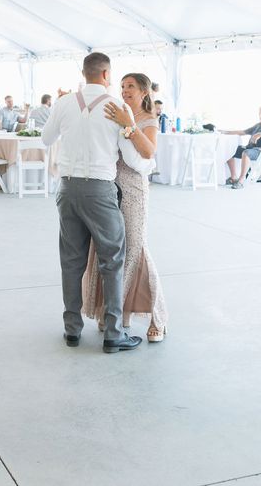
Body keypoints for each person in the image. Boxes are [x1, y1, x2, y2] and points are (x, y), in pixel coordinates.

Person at [42, 51, 143, 354]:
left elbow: (46, 139)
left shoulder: (63, 103)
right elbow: (134, 158)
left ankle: (72, 329)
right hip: (100, 189)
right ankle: (113, 334)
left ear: (84, 73)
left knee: (71, 261)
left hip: (68, 187)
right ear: (106, 75)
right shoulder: (117, 107)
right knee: (112, 260)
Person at [83, 73, 167, 342]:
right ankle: (117, 315)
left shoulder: (148, 119)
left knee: (136, 249)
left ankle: (158, 318)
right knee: (109, 249)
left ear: (144, 91)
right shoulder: (118, 112)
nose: (125, 90)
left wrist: (129, 125)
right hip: (109, 187)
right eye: (122, 86)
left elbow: (148, 152)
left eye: (130, 86)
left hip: (133, 189)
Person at [220, 105, 261, 189]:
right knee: (230, 149)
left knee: (246, 153)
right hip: (251, 148)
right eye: (259, 113)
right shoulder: (259, 125)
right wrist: (225, 132)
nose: (260, 115)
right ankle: (234, 177)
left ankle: (241, 181)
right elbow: (243, 132)